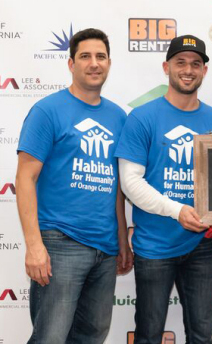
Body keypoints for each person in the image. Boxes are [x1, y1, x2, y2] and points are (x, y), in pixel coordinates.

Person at [16, 28, 133, 344]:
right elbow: (25, 179)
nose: (94, 63)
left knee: (92, 336)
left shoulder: (118, 117)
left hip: (106, 249)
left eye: (101, 56)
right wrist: (34, 245)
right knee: (50, 337)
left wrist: (122, 240)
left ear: (109, 63)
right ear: (71, 64)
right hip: (59, 242)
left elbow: (117, 188)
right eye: (85, 56)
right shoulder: (47, 110)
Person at [115, 35, 212, 344]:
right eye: (180, 62)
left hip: (202, 246)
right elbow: (130, 182)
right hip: (154, 245)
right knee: (149, 335)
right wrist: (176, 210)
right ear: (167, 66)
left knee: (201, 336)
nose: (188, 70)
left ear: (204, 71)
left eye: (196, 64)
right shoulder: (142, 117)